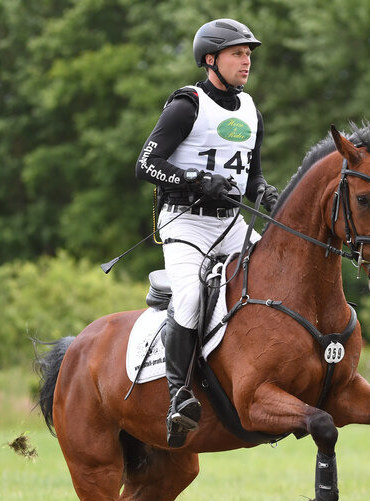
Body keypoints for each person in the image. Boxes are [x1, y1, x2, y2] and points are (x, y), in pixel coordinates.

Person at [136, 18, 279, 448]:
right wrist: (195, 180)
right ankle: (178, 396)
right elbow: (146, 163)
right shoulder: (187, 105)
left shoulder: (251, 110)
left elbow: (251, 176)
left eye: (249, 54)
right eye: (238, 53)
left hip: (231, 224)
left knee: (278, 277)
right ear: (211, 59)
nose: (246, 61)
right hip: (186, 223)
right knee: (191, 299)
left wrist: (266, 193)